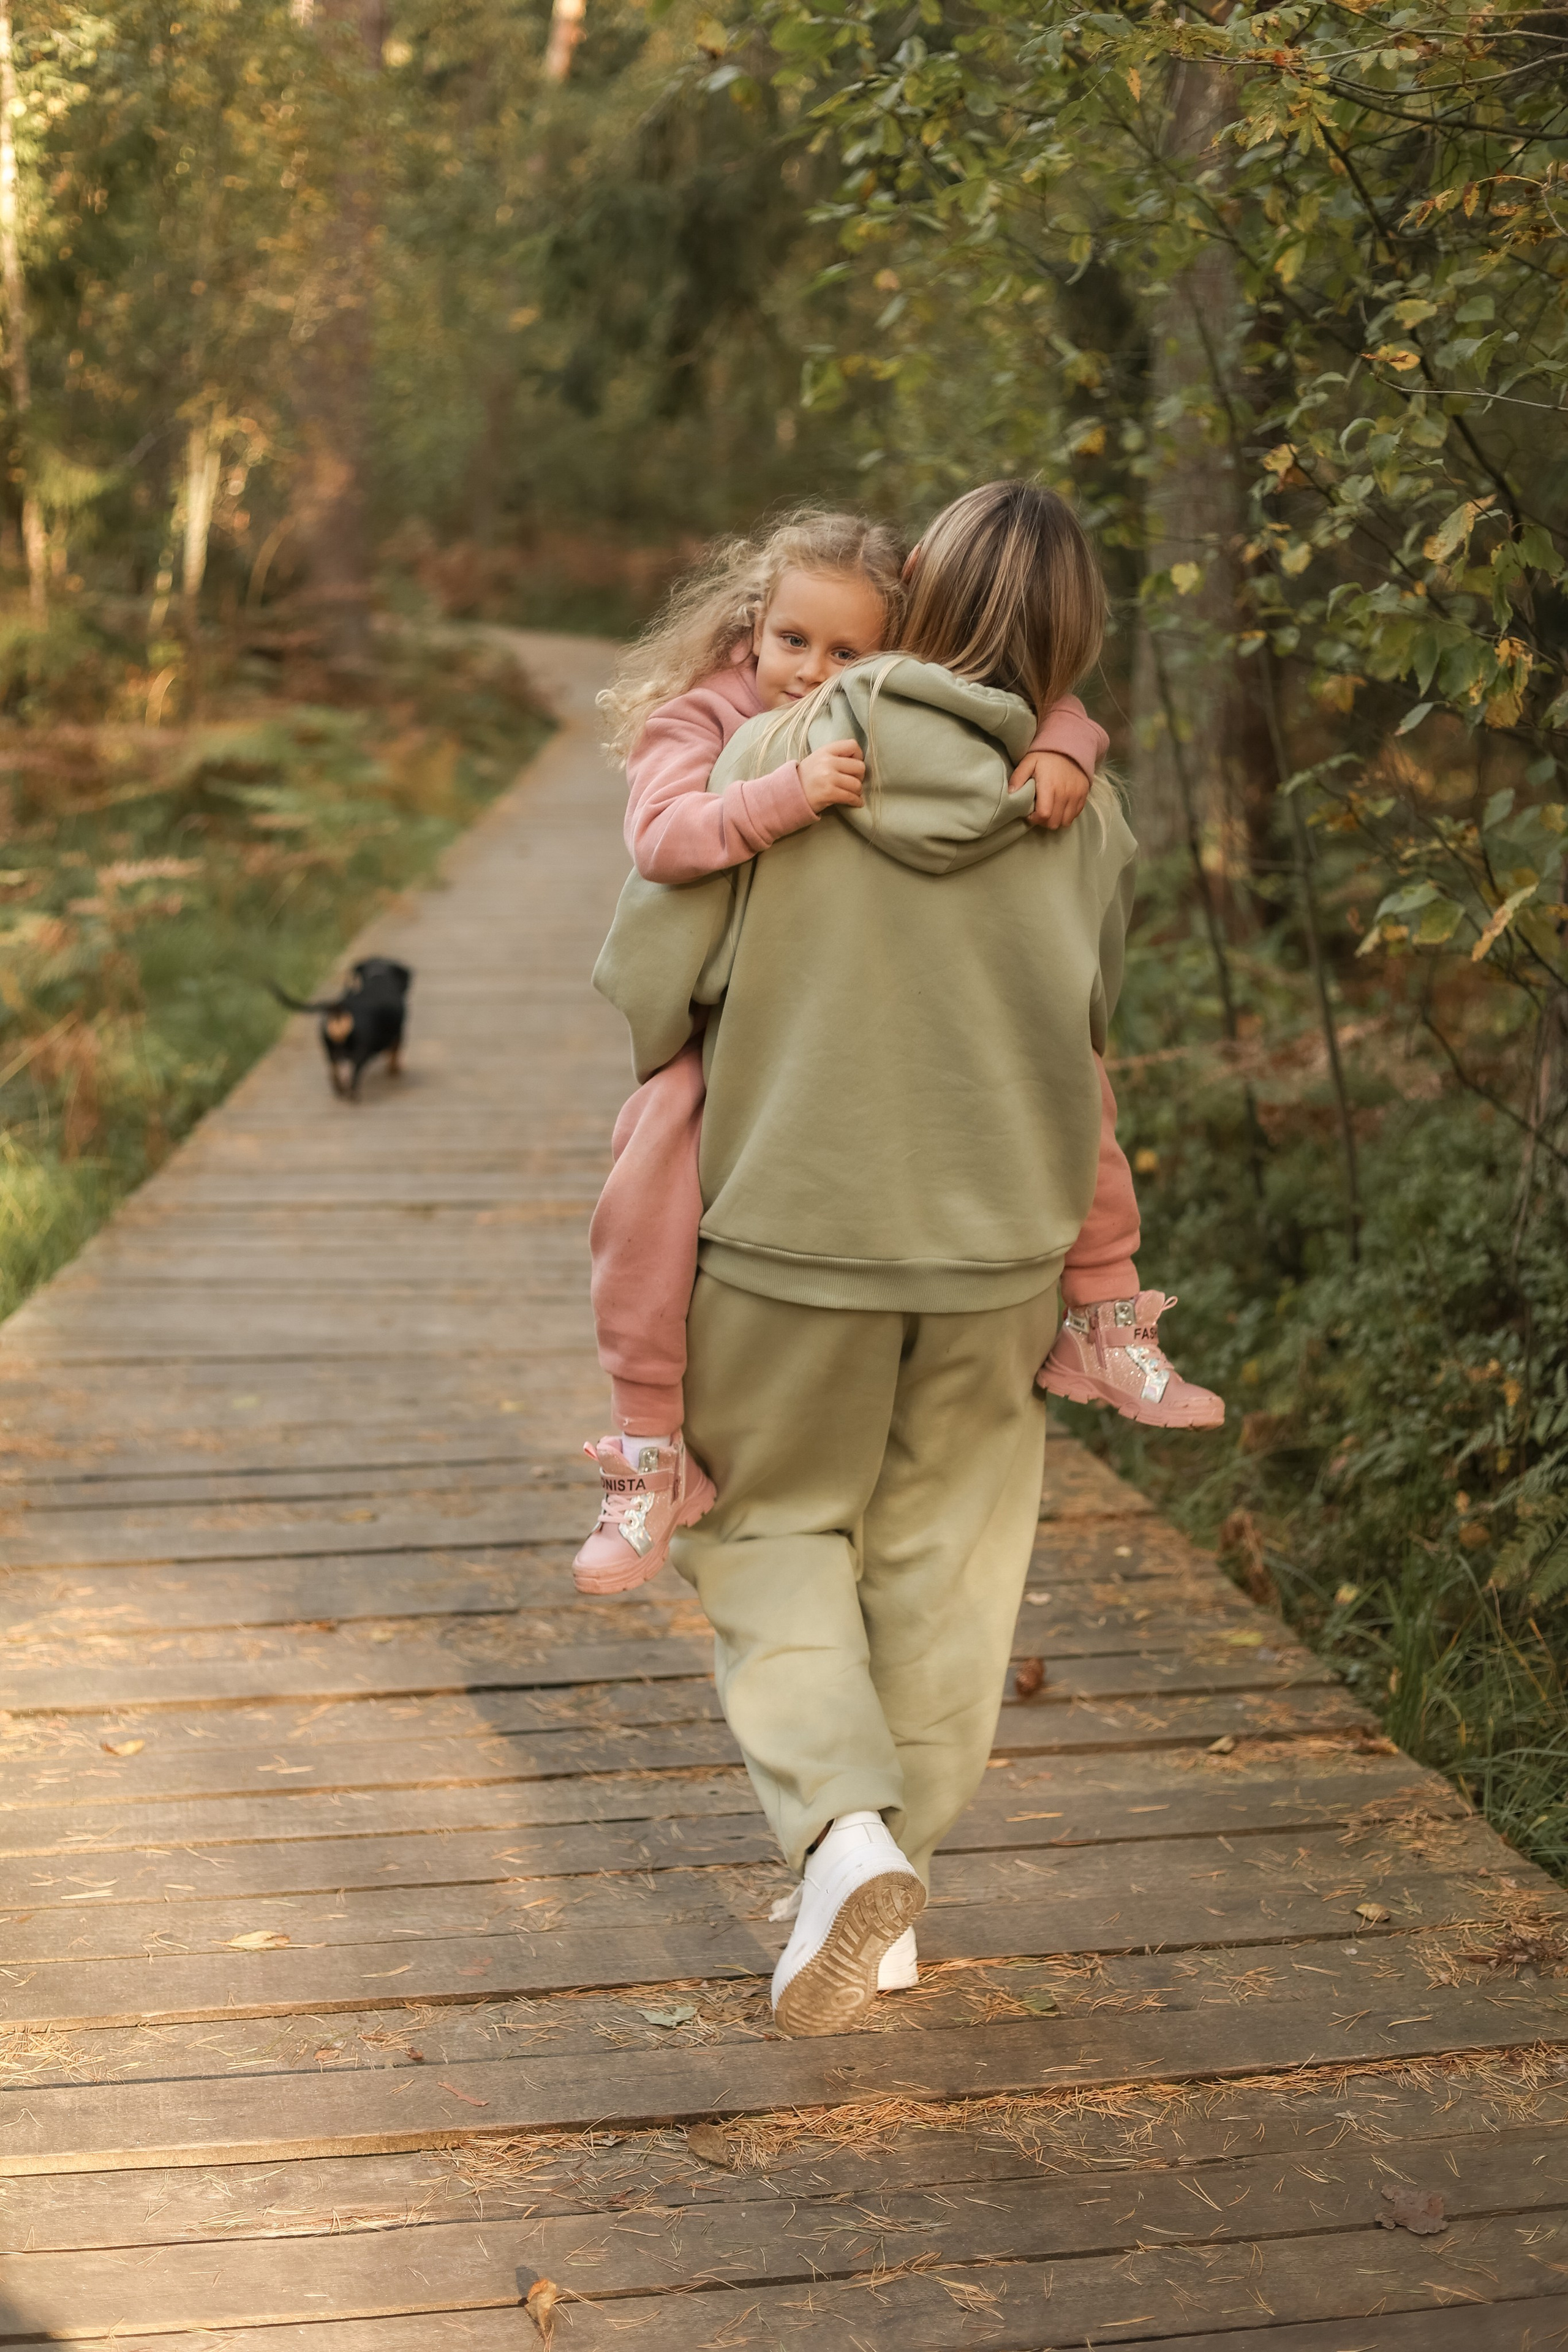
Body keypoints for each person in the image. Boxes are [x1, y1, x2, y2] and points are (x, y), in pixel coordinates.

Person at [593, 480, 1198, 2035]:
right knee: (944, 1566)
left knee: (773, 1535)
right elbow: (1086, 1023)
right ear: (1074, 640)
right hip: (1001, 1247)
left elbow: (646, 977)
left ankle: (844, 1835)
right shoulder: (1079, 802)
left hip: (789, 1228)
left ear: (913, 592)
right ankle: (889, 1885)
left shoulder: (787, 750)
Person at [575, 508, 1218, 1596]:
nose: (812, 673)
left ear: (906, 642)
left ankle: (1109, 1312)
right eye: (791, 642)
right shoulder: (709, 719)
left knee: (1079, 1081)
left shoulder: (919, 717)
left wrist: (1070, 739)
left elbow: (1026, 692)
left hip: (823, 1173)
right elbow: (661, 842)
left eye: (847, 654)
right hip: (763, 1068)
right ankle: (645, 1445)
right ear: (752, 627)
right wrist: (783, 794)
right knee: (653, 1164)